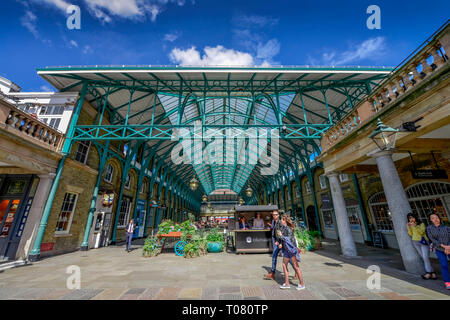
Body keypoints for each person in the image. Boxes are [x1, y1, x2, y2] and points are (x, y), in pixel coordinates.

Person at [264, 210, 296, 280]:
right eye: (273, 215)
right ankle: (272, 273)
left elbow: (281, 233)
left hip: (280, 242)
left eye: (275, 214)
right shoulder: (273, 221)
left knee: (289, 258)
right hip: (276, 242)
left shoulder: (280, 222)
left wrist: (279, 242)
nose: (274, 216)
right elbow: (273, 230)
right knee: (274, 257)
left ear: (278, 215)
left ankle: (296, 270)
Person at [278, 214, 305, 290]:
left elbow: (289, 240)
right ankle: (287, 283)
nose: (281, 221)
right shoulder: (284, 228)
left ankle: (302, 284)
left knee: (296, 267)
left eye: (282, 219)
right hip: (287, 250)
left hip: (291, 250)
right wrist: (280, 243)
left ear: (285, 220)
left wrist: (281, 236)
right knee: (284, 264)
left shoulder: (288, 229)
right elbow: (284, 239)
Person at [406, 213, 436, 279]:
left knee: (425, 258)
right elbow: (411, 234)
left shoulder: (421, 224)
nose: (411, 219)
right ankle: (432, 272)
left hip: (423, 242)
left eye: (412, 217)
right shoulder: (410, 225)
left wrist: (415, 226)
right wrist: (408, 227)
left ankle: (428, 273)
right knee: (424, 258)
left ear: (415, 217)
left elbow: (422, 232)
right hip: (415, 242)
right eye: (410, 218)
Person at [426, 212, 450, 290]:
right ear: (430, 220)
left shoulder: (446, 227)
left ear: (439, 218)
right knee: (444, 265)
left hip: (449, 247)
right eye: (433, 218)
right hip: (439, 249)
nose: (435, 219)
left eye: (436, 217)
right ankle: (447, 282)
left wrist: (448, 247)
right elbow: (432, 239)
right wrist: (444, 246)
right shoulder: (429, 228)